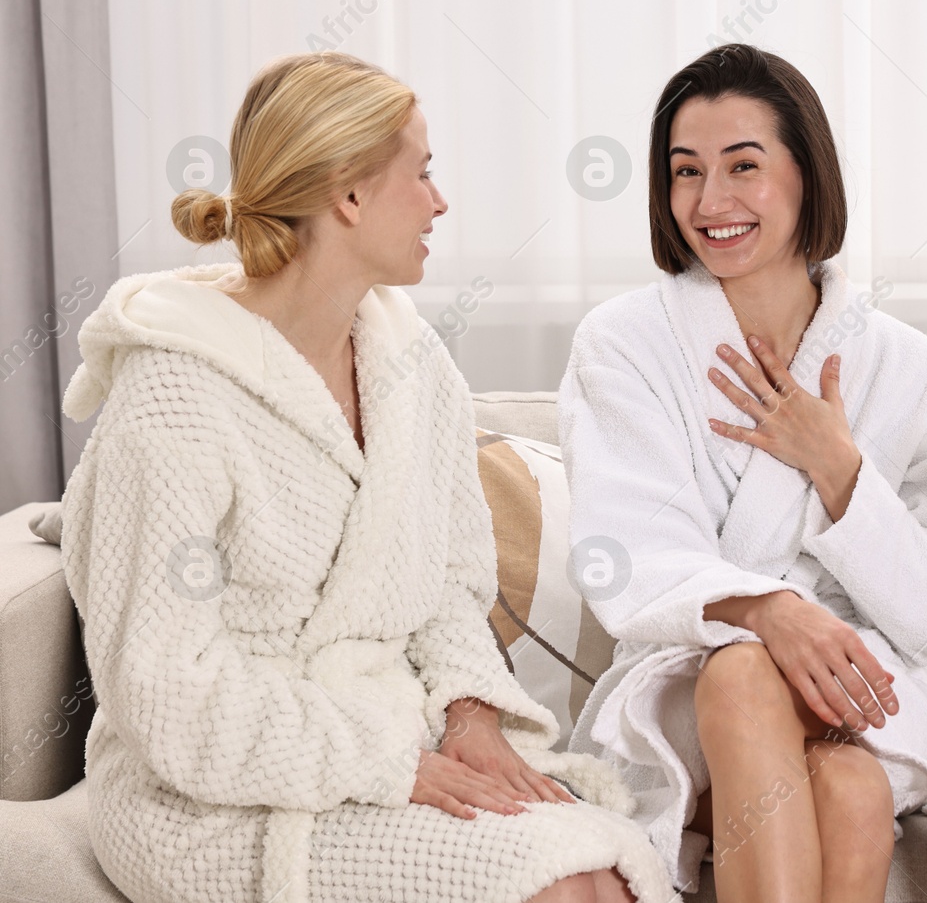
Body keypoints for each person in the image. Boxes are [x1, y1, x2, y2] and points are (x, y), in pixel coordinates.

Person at [58, 51, 673, 903]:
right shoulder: (175, 397)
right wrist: (394, 766)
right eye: (421, 173)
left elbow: (455, 588)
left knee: (612, 876)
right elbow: (168, 694)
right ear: (348, 197)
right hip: (210, 796)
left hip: (392, 739)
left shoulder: (411, 366)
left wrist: (470, 717)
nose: (440, 201)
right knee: (563, 890)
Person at [559, 43, 927, 902]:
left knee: (852, 784)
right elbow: (626, 551)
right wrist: (768, 609)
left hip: (859, 687)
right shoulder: (624, 344)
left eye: (743, 167)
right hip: (683, 684)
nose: (711, 202)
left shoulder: (908, 367)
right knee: (745, 669)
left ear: (808, 174)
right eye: (686, 172)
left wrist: (840, 471)